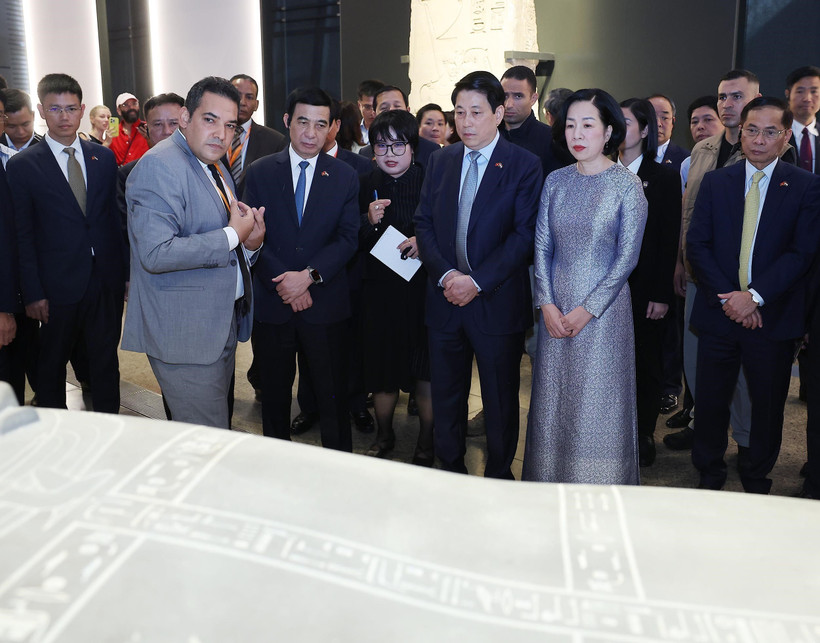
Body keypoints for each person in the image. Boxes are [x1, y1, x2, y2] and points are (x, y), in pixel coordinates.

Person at [687, 96, 820, 493]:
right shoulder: (716, 182)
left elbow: (803, 253)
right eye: (751, 130)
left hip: (772, 319)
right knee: (709, 404)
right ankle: (708, 476)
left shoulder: (805, 187)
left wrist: (755, 297)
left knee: (766, 407)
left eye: (770, 132)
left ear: (784, 138)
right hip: (719, 314)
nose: (759, 140)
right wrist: (731, 299)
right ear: (739, 132)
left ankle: (757, 478)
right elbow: (698, 245)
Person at [414, 71, 541, 479]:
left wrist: (477, 281)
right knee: (447, 396)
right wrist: (449, 274)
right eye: (459, 112)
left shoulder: (524, 164)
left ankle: (500, 476)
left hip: (496, 301)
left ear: (499, 113)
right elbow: (425, 223)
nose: (465, 122)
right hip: (445, 297)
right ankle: (449, 470)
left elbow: (523, 236)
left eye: (476, 112)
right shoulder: (441, 159)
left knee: (500, 399)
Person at [122, 76, 265, 430]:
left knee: (213, 433)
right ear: (185, 117)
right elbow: (155, 253)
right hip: (185, 338)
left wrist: (250, 245)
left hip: (216, 326)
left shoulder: (213, 164)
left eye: (230, 125)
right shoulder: (160, 165)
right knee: (204, 444)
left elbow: (227, 245)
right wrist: (233, 234)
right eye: (210, 119)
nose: (221, 133)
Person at [522, 88, 648, 485]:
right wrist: (546, 304)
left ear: (609, 131)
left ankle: (599, 489)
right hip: (554, 312)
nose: (577, 133)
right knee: (553, 401)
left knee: (597, 403)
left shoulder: (627, 186)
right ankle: (548, 484)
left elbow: (626, 260)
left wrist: (586, 310)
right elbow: (541, 245)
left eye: (588, 124)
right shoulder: (556, 181)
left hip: (604, 316)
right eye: (571, 124)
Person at [243, 87, 359, 451]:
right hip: (273, 305)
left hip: (324, 304)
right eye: (303, 122)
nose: (311, 133)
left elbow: (347, 238)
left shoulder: (344, 176)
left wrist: (307, 277)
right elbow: (250, 234)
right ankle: (277, 472)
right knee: (274, 399)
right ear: (287, 122)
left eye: (320, 124)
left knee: (332, 396)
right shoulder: (259, 172)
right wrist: (285, 284)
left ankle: (339, 470)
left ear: (332, 128)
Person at [8, 73, 125, 413]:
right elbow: (23, 235)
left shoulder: (102, 158)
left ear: (82, 109)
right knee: (51, 365)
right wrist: (32, 292)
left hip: (104, 281)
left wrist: (125, 275)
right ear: (42, 110)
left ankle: (110, 427)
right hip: (55, 286)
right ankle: (55, 433)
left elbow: (113, 221)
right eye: (55, 109)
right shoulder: (23, 165)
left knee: (105, 361)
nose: (64, 117)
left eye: (71, 108)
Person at [358, 109, 433, 465]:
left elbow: (447, 229)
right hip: (380, 294)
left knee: (425, 373)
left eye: (398, 146)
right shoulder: (364, 182)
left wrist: (424, 241)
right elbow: (348, 237)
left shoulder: (432, 181)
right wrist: (366, 221)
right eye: (381, 146)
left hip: (423, 293)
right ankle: (384, 435)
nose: (389, 153)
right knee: (383, 373)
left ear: (413, 148)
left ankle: (426, 444)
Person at [617, 98, 682, 467]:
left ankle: (643, 432)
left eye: (627, 122)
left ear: (644, 130)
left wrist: (661, 295)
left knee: (646, 362)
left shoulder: (662, 177)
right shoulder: (600, 171)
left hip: (646, 288)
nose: (618, 128)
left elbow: (666, 238)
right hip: (604, 288)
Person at [227, 74, 287, 197]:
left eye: (249, 97)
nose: (242, 102)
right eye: (237, 95)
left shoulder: (275, 141)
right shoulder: (211, 136)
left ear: (256, 104)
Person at [499, 65, 564, 177]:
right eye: (504, 96)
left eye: (518, 96)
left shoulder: (551, 141)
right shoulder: (488, 136)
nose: (508, 104)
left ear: (533, 99)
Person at [358, 86, 440, 169]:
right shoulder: (365, 154)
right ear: (374, 114)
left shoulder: (431, 150)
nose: (392, 111)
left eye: (397, 106)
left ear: (408, 111)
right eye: (384, 108)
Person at [785, 65, 820, 177]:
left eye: (814, 91)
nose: (807, 98)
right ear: (788, 94)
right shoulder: (777, 133)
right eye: (800, 91)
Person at [648, 93, 690, 171]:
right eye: (652, 117)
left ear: (673, 122)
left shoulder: (686, 160)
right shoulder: (630, 156)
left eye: (664, 118)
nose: (658, 124)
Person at [109, 92, 149, 166]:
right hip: (121, 176)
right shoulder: (112, 133)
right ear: (119, 110)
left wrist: (149, 139)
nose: (131, 107)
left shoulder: (148, 128)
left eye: (134, 104)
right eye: (126, 105)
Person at [357, 79, 384, 145]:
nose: (372, 112)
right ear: (359, 105)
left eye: (376, 107)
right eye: (367, 107)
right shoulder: (352, 131)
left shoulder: (392, 132)